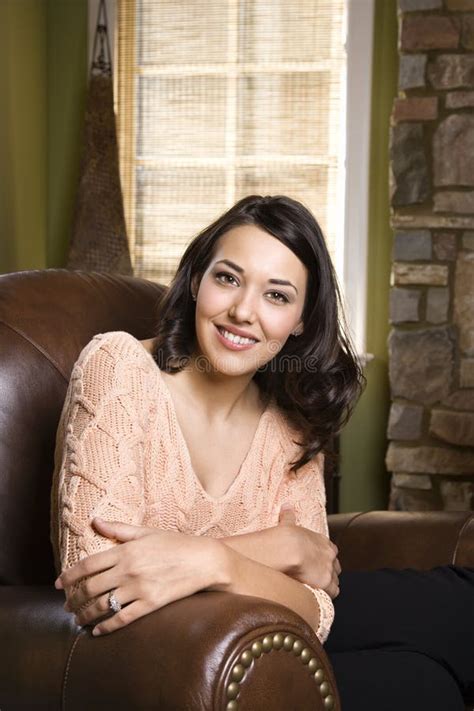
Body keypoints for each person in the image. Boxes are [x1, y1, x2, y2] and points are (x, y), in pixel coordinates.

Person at [50, 195, 473, 710]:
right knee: (420, 681)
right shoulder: (119, 366)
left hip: (267, 642)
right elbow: (98, 580)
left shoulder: (289, 416)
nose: (243, 312)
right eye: (228, 278)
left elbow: (318, 603)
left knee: (441, 646)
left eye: (277, 295)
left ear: (300, 319)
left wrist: (217, 561)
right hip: (171, 653)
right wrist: (277, 549)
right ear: (194, 281)